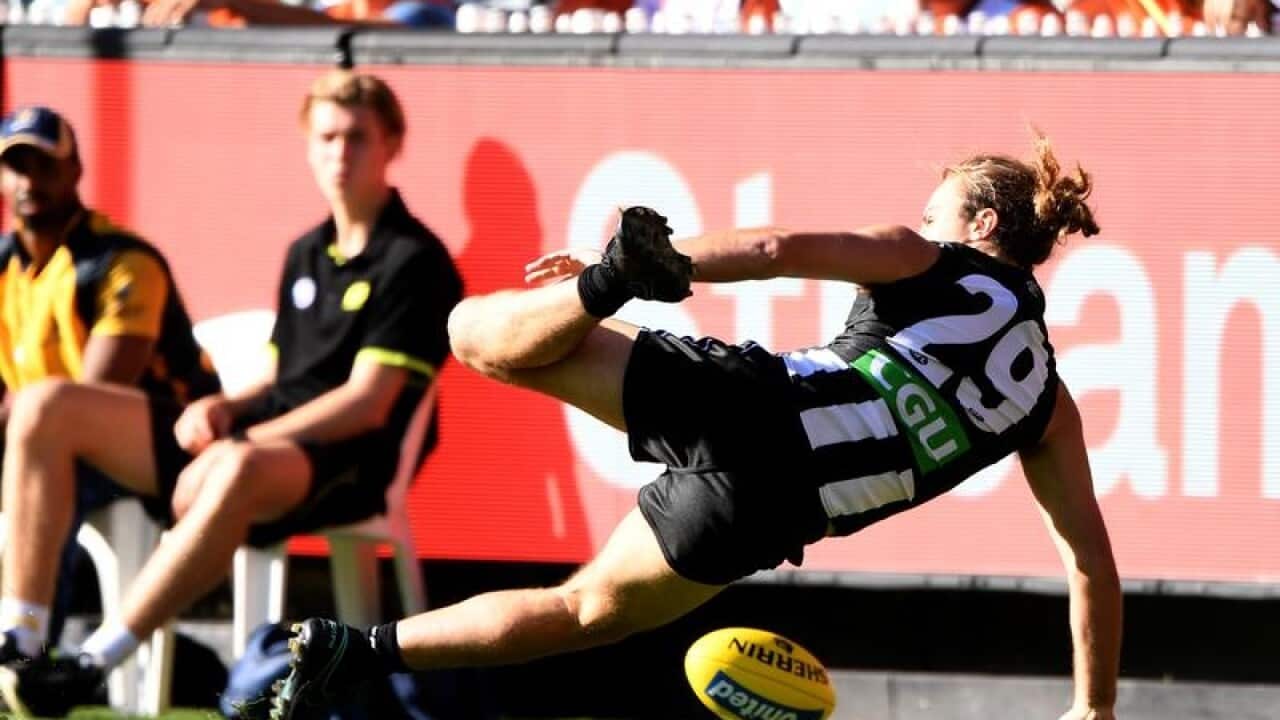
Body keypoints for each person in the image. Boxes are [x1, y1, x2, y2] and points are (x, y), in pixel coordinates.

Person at [269, 134, 1123, 720]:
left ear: (980, 226)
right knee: (580, 611)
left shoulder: (931, 260)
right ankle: (357, 651)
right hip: (770, 514)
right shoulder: (1047, 404)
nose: (925, 223)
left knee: (469, 333)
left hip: (753, 403)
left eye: (936, 213)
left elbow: (779, 248)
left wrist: (661, 268)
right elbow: (1090, 563)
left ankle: (605, 282)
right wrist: (1094, 705)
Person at [0, 70, 463, 718]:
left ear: (393, 144)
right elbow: (279, 375)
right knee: (44, 406)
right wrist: (225, 408)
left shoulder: (415, 259)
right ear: (308, 146)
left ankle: (89, 664)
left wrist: (244, 439)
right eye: (327, 137)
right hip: (259, 443)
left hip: (347, 461)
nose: (340, 152)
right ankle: (20, 646)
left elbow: (367, 403)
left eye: (357, 137)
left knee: (237, 467)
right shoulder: (306, 250)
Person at [0, 105, 220, 661]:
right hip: (44, 440)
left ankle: (24, 648)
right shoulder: (5, 263)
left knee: (50, 430)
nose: (29, 182)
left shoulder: (122, 260)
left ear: (76, 170)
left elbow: (87, 399)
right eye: (16, 167)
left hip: (175, 447)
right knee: (41, 437)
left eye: (45, 166)